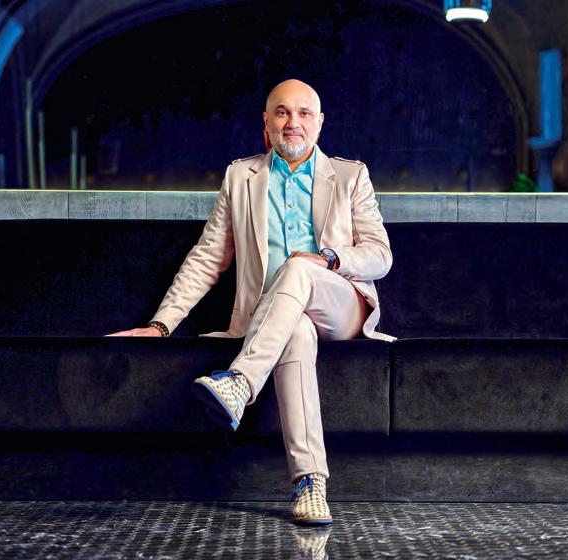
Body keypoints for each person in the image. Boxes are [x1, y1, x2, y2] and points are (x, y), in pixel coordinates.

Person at [108, 79, 395, 524]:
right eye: (282, 112)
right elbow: (208, 258)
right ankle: (310, 484)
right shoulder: (240, 177)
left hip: (341, 305)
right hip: (276, 317)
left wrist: (329, 258)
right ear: (266, 122)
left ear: (320, 123)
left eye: (303, 113)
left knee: (299, 268)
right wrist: (161, 325)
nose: (293, 122)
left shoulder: (350, 176)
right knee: (296, 330)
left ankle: (240, 381)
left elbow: (380, 255)